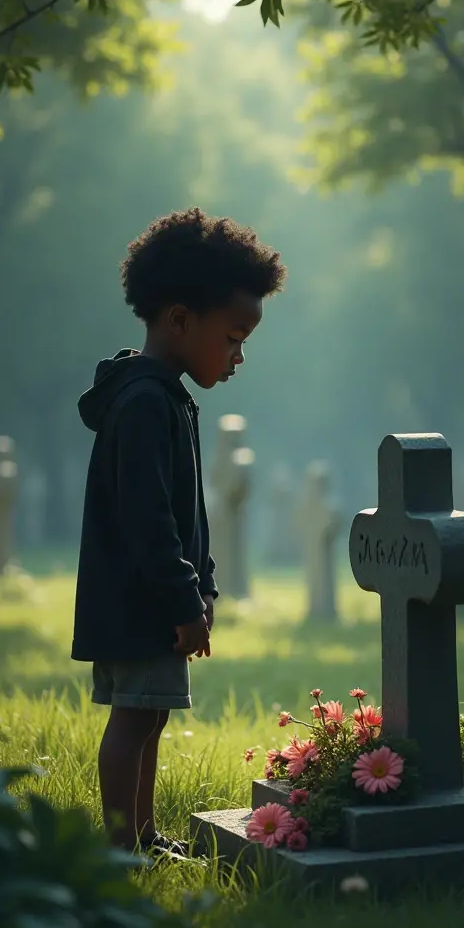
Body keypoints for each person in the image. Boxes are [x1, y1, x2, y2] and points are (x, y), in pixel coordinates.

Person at [71, 207, 286, 856]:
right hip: (138, 600)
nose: (239, 355)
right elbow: (150, 521)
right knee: (134, 718)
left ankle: (141, 834)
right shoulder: (142, 404)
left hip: (154, 600)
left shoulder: (164, 396)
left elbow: (186, 513)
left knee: (151, 715)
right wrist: (182, 600)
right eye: (233, 336)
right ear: (180, 319)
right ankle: (121, 849)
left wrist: (204, 589)